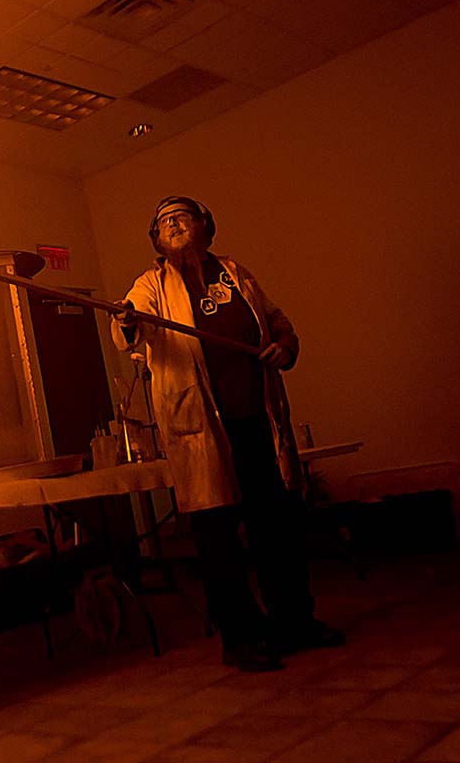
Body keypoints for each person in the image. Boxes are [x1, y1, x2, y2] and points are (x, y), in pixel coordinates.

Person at [112, 195, 344, 672]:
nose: (173, 224)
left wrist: (284, 344)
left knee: (276, 529)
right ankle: (241, 638)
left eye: (182, 216)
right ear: (156, 239)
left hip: (256, 422)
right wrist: (127, 319)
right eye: (164, 222)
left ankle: (295, 623)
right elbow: (129, 322)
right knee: (218, 539)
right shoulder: (151, 283)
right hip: (201, 431)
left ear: (205, 225)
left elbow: (276, 319)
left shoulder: (236, 273)